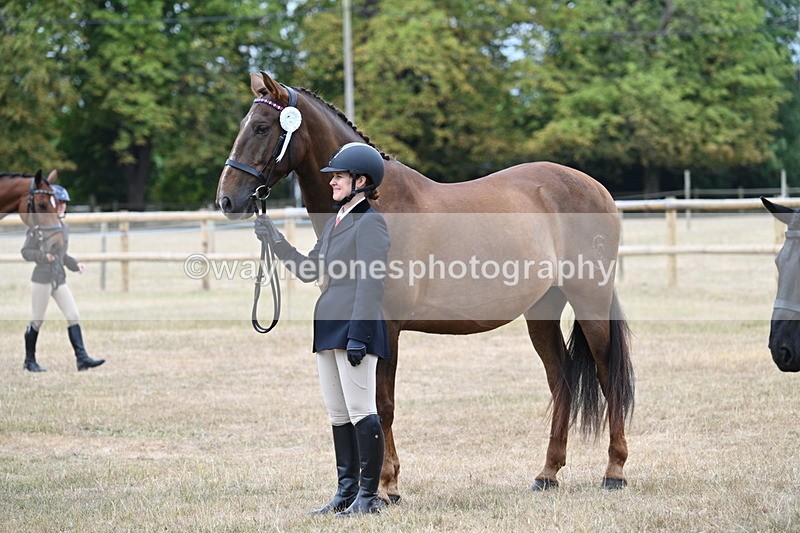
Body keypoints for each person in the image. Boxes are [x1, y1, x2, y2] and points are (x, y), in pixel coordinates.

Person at [254, 142, 391, 516]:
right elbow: (310, 270)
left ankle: (368, 496)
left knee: (362, 409)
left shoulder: (371, 223)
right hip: (328, 323)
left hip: (354, 326)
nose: (331, 183)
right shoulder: (335, 222)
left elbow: (371, 283)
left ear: (361, 181)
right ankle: (345, 493)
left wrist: (359, 335)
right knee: (338, 413)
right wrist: (276, 241)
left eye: (339, 177)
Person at [21, 184, 105, 372]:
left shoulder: (63, 228)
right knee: (37, 320)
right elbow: (26, 251)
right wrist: (43, 257)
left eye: (64, 204)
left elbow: (63, 256)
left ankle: (82, 359)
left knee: (73, 315)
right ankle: (29, 360)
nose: (62, 207)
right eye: (58, 203)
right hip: (41, 279)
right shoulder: (38, 227)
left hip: (58, 278)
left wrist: (76, 265)